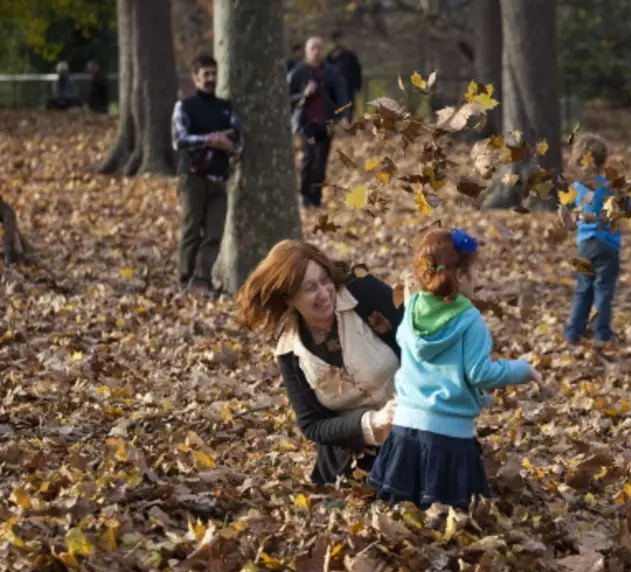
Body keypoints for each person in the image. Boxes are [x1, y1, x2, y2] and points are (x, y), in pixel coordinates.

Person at [367, 229, 548, 509]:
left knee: (405, 511)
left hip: (405, 428)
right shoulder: (469, 319)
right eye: (475, 272)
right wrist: (522, 370)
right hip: (447, 435)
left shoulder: (413, 306)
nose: (477, 279)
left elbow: (406, 346)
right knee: (449, 516)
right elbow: (480, 373)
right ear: (460, 276)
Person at [237, 241, 403, 486]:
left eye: (325, 280)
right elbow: (312, 424)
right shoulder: (290, 351)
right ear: (289, 297)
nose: (324, 293)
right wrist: (372, 422)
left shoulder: (366, 294)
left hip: (417, 427)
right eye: (309, 288)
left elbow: (421, 342)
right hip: (355, 460)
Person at [171, 54, 244, 295]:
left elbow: (239, 143)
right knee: (191, 228)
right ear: (195, 78)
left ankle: (201, 280)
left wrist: (228, 146)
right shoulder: (185, 106)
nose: (211, 79)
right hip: (192, 177)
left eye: (214, 74)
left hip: (219, 178)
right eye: (206, 75)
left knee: (214, 232)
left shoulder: (226, 108)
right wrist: (210, 140)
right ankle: (185, 278)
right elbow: (179, 139)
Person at [562, 133, 621, 345]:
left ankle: (573, 331)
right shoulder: (610, 188)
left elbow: (566, 212)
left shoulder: (577, 188)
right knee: (604, 291)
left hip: (585, 245)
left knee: (583, 288)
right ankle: (601, 332)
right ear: (604, 161)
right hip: (608, 245)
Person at [288, 37, 352, 209]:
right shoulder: (298, 72)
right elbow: (286, 97)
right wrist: (303, 95)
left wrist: (345, 114)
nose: (316, 52)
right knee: (308, 158)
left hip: (326, 123)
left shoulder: (330, 72)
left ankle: (315, 198)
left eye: (319, 48)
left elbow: (341, 93)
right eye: (313, 48)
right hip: (305, 123)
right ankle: (303, 195)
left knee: (321, 162)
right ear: (307, 51)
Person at [326, 30, 363, 114]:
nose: (339, 42)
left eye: (340, 39)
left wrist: (357, 86)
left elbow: (357, 71)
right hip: (334, 90)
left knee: (349, 109)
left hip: (348, 87)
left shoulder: (349, 55)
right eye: (336, 40)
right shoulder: (330, 57)